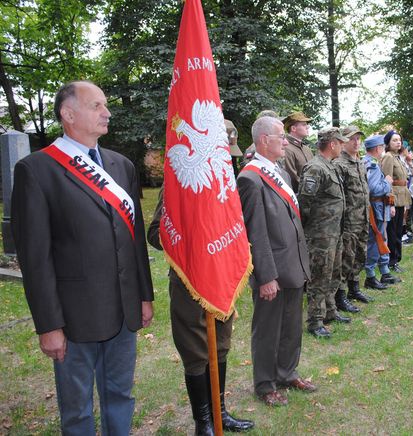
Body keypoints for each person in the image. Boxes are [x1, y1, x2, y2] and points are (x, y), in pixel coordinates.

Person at [11, 80, 154, 434]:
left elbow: (135, 239)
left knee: (120, 393)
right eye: (96, 106)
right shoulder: (37, 170)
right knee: (76, 408)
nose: (107, 112)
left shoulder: (121, 166)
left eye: (105, 105)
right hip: (74, 317)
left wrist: (144, 295)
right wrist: (49, 325)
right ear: (68, 113)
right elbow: (35, 257)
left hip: (123, 308)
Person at [148, 189, 254, 433]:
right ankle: (204, 421)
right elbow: (155, 233)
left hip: (220, 280)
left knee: (221, 345)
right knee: (195, 351)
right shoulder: (178, 184)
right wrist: (192, 240)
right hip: (189, 282)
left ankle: (220, 412)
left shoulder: (222, 179)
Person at [237, 116, 313, 406]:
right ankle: (265, 383)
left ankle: (286, 371)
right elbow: (254, 232)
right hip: (273, 269)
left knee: (292, 324)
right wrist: (265, 275)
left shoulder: (277, 169)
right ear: (264, 140)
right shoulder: (250, 178)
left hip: (292, 263)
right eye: (280, 136)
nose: (285, 141)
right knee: (268, 329)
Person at [298, 127, 350, 338]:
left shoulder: (331, 166)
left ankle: (330, 311)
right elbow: (304, 203)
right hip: (320, 234)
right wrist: (313, 228)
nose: (343, 146)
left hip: (334, 232)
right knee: (319, 276)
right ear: (332, 144)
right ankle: (315, 320)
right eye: (341, 142)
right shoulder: (315, 168)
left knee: (333, 272)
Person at [333, 125, 373, 309]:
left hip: (362, 217)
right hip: (348, 221)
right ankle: (340, 296)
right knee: (345, 257)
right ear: (343, 141)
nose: (356, 142)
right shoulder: (339, 164)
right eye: (352, 139)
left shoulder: (359, 162)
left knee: (359, 254)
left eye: (358, 139)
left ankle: (354, 288)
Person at [363, 135, 399, 289]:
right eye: (382, 147)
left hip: (379, 208)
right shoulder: (371, 164)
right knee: (375, 241)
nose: (383, 150)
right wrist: (387, 182)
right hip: (375, 208)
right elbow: (373, 189)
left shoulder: (370, 163)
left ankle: (384, 271)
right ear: (378, 148)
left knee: (380, 239)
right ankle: (371, 276)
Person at [381, 130, 410, 272]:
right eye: (394, 140)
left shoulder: (398, 158)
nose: (398, 142)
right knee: (392, 232)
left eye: (399, 140)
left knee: (398, 231)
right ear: (387, 143)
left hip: (401, 198)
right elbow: (387, 181)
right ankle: (391, 261)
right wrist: (390, 203)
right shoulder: (388, 157)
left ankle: (396, 259)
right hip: (394, 199)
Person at [283, 111, 314, 191]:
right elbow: (292, 178)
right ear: (293, 128)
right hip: (298, 197)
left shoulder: (307, 149)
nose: (307, 127)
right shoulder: (286, 148)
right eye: (304, 125)